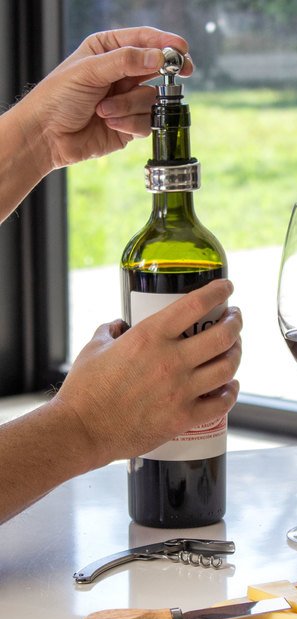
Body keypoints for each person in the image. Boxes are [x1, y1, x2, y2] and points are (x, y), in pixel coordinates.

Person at [0, 27, 242, 524]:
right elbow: (88, 424)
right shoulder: (145, 251)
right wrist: (85, 425)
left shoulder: (193, 245)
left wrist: (40, 135)